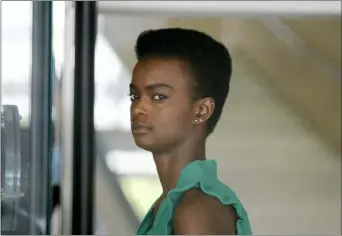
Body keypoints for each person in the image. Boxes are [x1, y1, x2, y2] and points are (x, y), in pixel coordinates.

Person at [129, 28, 252, 235]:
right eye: (134, 96)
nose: (138, 108)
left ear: (202, 110)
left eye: (158, 96)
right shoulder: (171, 203)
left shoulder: (195, 211)